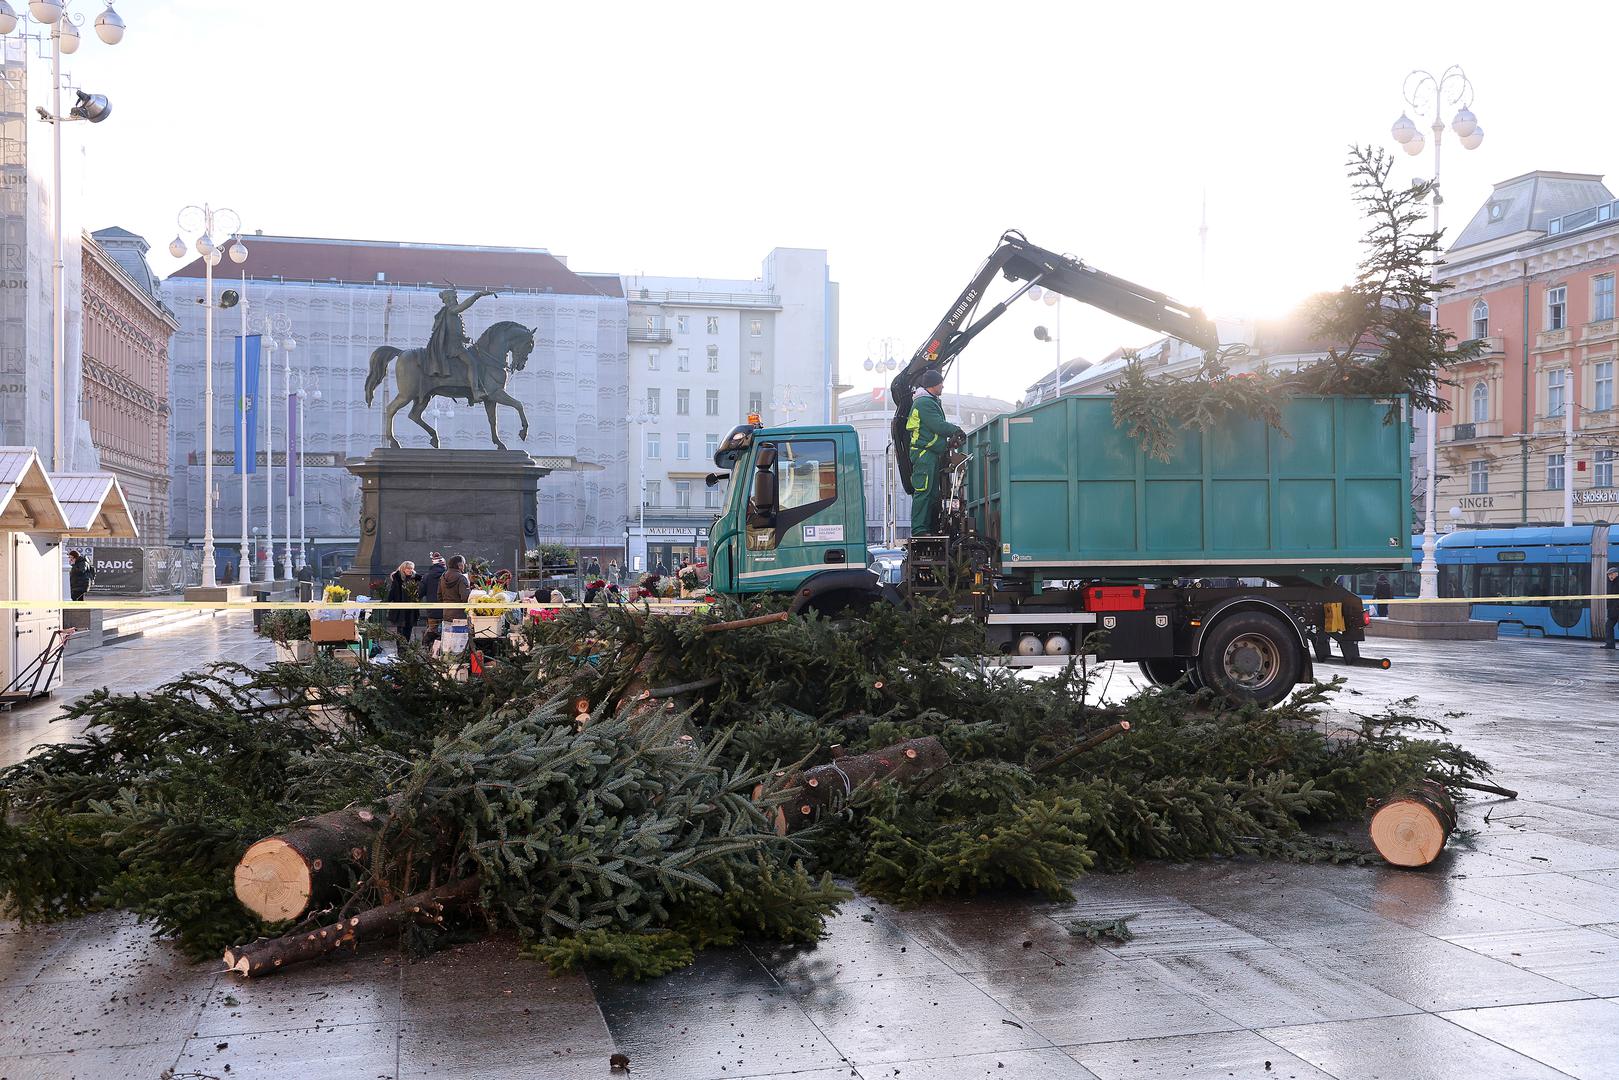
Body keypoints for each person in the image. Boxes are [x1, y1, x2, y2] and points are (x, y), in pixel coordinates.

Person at [907, 368, 965, 537]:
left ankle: (929, 528)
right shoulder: (924, 403)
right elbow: (937, 425)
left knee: (932, 494)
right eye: (941, 383)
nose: (943, 386)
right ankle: (919, 529)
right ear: (933, 384)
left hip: (930, 453)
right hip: (924, 454)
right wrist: (956, 431)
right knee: (924, 492)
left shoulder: (930, 401)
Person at [428, 285, 497, 403]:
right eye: (453, 298)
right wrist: (477, 295)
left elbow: (454, 331)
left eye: (455, 298)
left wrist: (465, 339)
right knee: (472, 364)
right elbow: (463, 306)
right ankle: (475, 392)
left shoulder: (453, 313)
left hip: (458, 344)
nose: (455, 300)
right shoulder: (451, 310)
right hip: (454, 348)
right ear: (449, 300)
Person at [386, 560, 419, 643]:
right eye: (408, 568)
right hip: (400, 609)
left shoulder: (415, 578)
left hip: (411, 609)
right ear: (403, 569)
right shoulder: (397, 579)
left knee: (408, 629)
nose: (410, 570)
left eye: (411, 568)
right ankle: (401, 650)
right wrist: (387, 601)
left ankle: (406, 649)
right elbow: (393, 592)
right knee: (400, 630)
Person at [439, 554, 472, 622]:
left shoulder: (443, 576)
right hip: (460, 614)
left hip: (446, 613)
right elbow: (465, 597)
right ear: (459, 565)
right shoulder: (461, 578)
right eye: (464, 563)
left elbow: (439, 595)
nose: (464, 566)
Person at [1603, 566, 1619, 649]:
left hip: (1617, 610)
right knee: (1608, 626)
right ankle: (1610, 644)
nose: (1610, 576)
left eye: (1611, 574)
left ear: (1617, 574)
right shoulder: (1611, 583)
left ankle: (1610, 644)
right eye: (1609, 575)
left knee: (1609, 626)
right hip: (1613, 611)